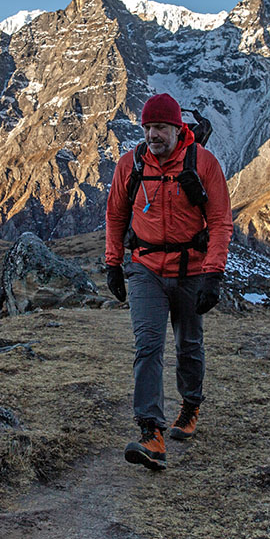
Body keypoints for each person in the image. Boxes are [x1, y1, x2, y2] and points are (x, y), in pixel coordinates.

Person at [105, 93, 233, 470]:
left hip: (191, 269)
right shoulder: (130, 165)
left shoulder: (204, 164)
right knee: (147, 346)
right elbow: (115, 215)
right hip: (144, 268)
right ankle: (151, 432)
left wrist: (214, 273)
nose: (152, 135)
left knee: (188, 345)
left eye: (160, 127)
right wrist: (113, 264)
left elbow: (221, 222)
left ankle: (190, 406)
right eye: (147, 128)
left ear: (178, 128)